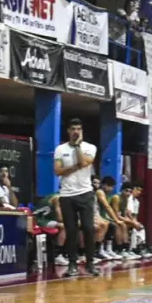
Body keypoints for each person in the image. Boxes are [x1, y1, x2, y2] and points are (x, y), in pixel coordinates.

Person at [53, 118, 99, 277]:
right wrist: (74, 167)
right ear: (68, 131)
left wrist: (78, 147)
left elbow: (85, 162)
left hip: (85, 193)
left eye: (78, 129)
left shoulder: (90, 147)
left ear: (82, 131)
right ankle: (72, 263)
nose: (76, 132)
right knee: (71, 230)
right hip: (67, 195)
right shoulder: (60, 149)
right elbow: (57, 171)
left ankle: (90, 263)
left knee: (88, 228)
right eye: (73, 129)